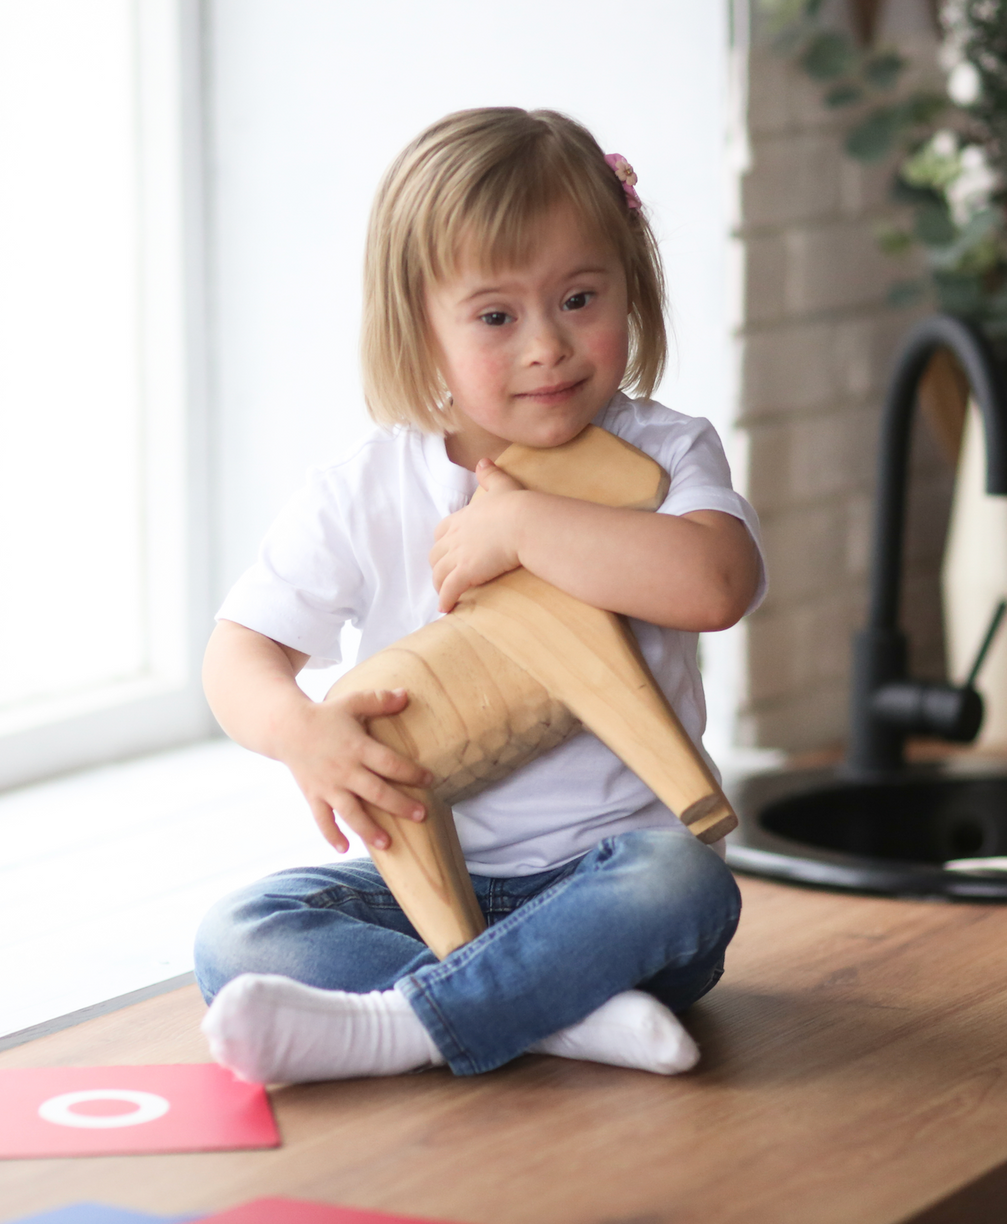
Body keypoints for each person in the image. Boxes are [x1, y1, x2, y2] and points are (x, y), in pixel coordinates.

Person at [194, 108, 765, 1085]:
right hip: (427, 889)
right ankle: (555, 1017)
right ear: (420, 328)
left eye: (581, 298)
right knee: (238, 934)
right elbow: (237, 655)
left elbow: (715, 584)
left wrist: (523, 526)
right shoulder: (367, 486)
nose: (547, 345)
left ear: (634, 288)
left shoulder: (667, 453)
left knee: (690, 884)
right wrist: (303, 733)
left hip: (611, 887)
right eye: (497, 317)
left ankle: (406, 1026)